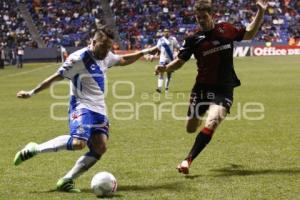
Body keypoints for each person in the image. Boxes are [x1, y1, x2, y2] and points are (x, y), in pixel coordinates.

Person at [14, 26, 158, 192]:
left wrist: (144, 52)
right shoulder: (78, 59)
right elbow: (56, 77)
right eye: (103, 46)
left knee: (100, 147)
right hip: (81, 105)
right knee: (78, 142)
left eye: (109, 47)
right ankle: (34, 149)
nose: (106, 51)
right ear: (93, 42)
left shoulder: (106, 55)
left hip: (99, 109)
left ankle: (67, 180)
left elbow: (123, 60)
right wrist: (32, 92)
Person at [155, 0, 268, 174]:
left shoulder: (226, 29)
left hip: (224, 88)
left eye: (204, 17)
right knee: (191, 128)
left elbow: (250, 33)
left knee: (214, 121)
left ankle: (187, 161)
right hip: (202, 89)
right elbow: (179, 62)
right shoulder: (193, 39)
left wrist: (261, 11)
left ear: (211, 15)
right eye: (198, 17)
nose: (201, 20)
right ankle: (202, 117)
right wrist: (165, 68)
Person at [155, 29, 180, 93]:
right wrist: (155, 55)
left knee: (169, 74)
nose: (166, 33)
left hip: (170, 59)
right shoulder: (160, 40)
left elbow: (177, 46)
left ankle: (166, 88)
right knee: (161, 73)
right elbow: (157, 48)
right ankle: (159, 88)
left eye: (168, 32)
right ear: (163, 33)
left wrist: (177, 53)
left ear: (169, 32)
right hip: (162, 59)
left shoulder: (173, 39)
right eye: (165, 32)